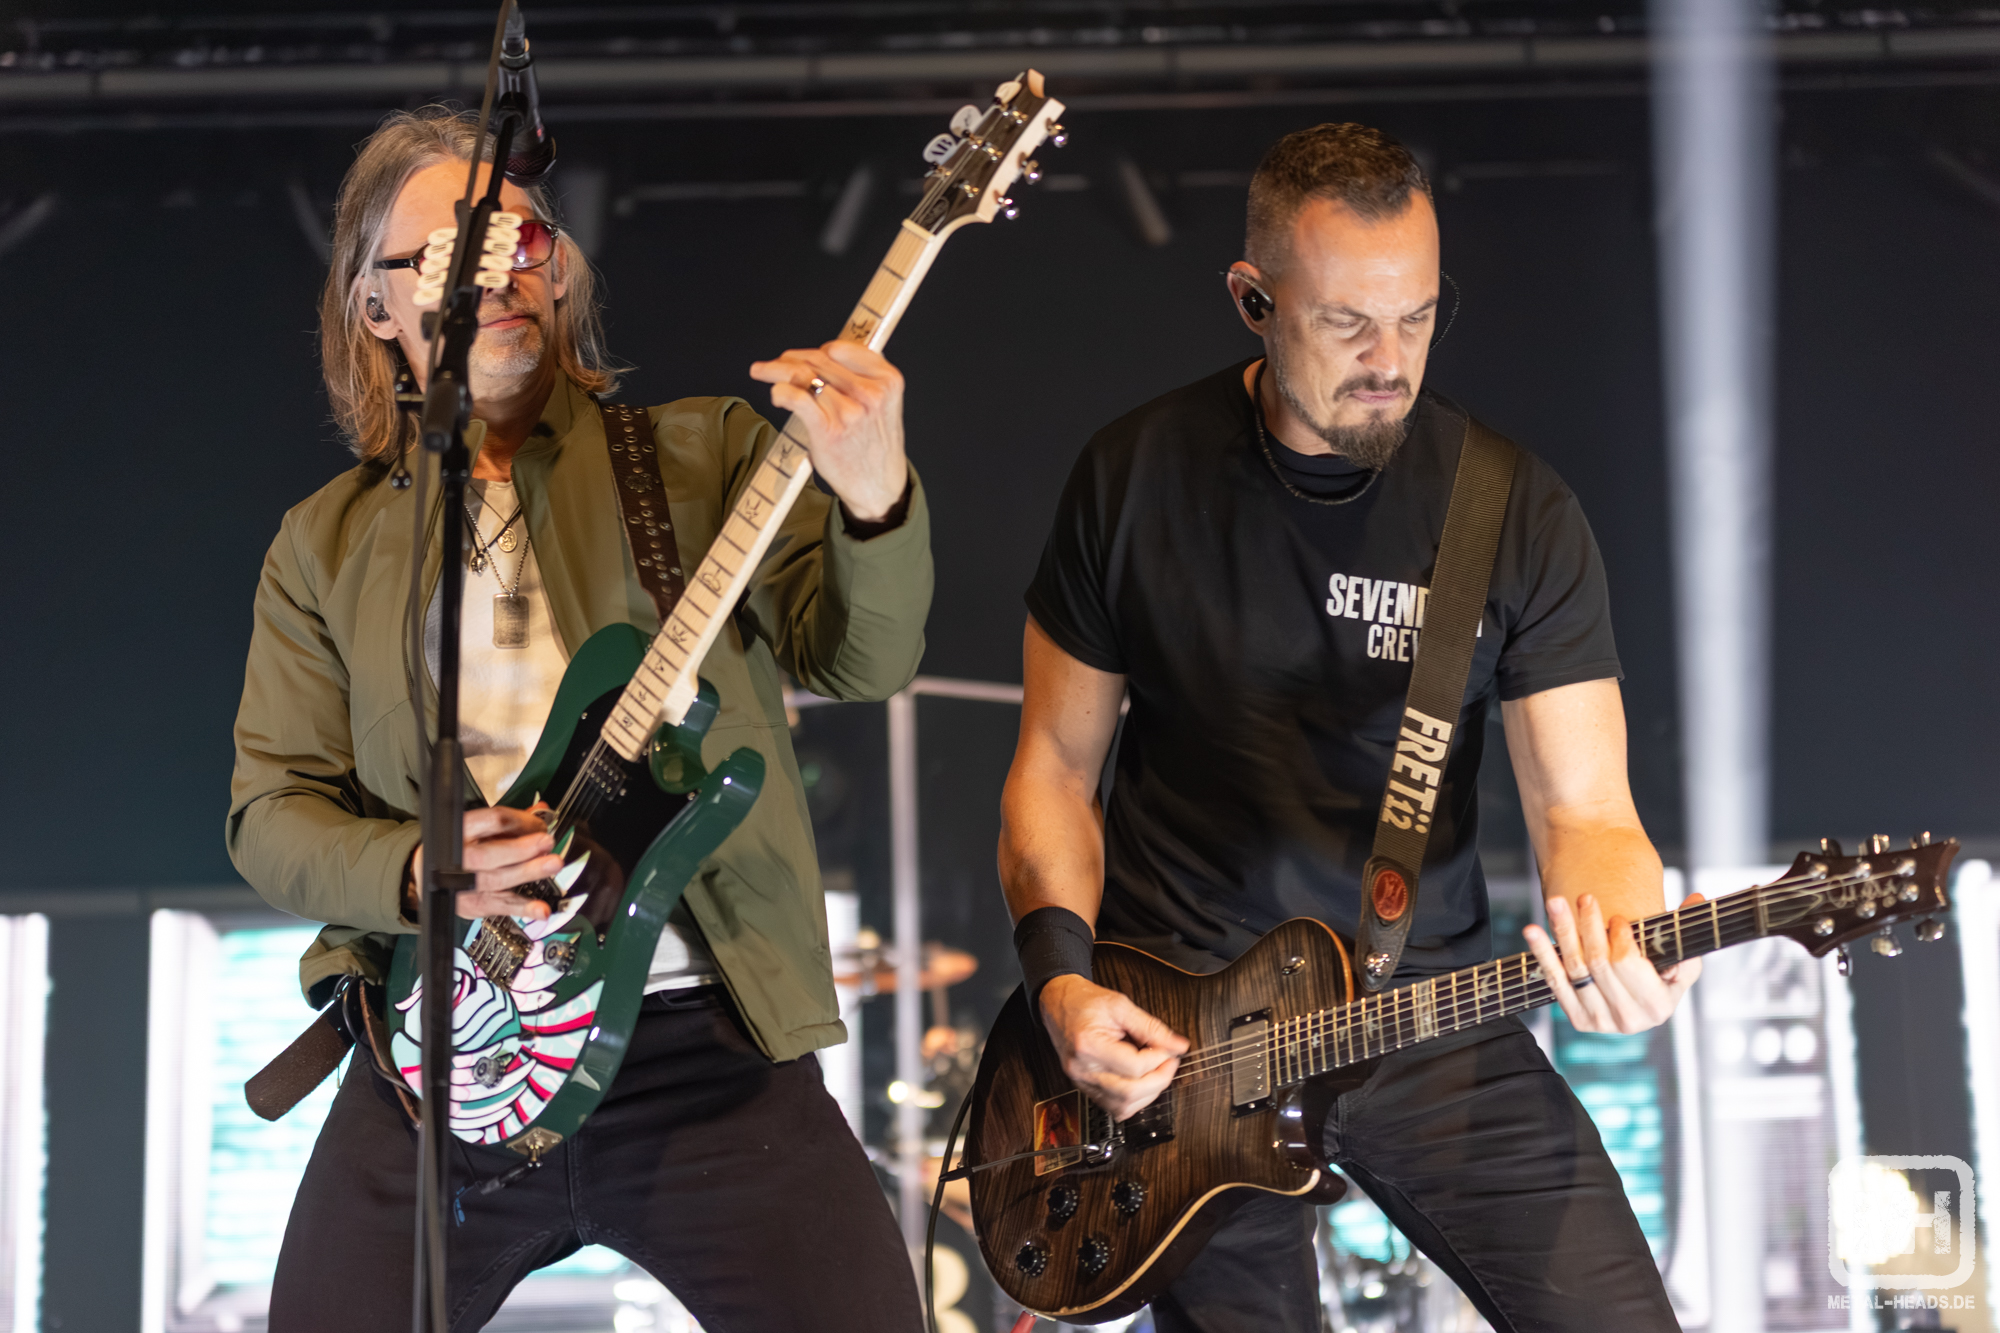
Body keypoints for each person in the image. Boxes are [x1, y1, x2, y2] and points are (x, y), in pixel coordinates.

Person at [227, 107, 930, 1331]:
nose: (499, 272)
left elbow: (863, 661)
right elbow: (270, 815)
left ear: (559, 271)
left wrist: (874, 500)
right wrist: (419, 868)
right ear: (375, 306)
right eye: (450, 255)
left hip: (704, 1045)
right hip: (449, 1043)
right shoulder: (321, 543)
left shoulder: (704, 454)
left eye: (523, 241)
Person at [997, 122, 1698, 1332]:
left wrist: (1628, 935)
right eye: (1345, 324)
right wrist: (1061, 986)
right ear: (1252, 300)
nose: (1388, 362)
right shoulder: (1133, 474)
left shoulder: (1511, 512)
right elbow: (1054, 770)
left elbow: (1585, 809)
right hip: (1182, 1040)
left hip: (1422, 1008)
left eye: (1417, 318)